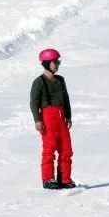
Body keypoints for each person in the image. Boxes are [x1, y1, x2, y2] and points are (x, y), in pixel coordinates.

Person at [30, 49, 75, 190]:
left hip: (61, 117)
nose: (57, 65)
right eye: (55, 62)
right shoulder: (39, 82)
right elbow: (33, 102)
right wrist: (37, 120)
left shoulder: (60, 80)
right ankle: (48, 179)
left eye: (58, 62)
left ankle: (64, 178)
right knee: (49, 149)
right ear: (46, 63)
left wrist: (68, 116)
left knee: (66, 149)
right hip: (47, 118)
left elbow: (66, 98)